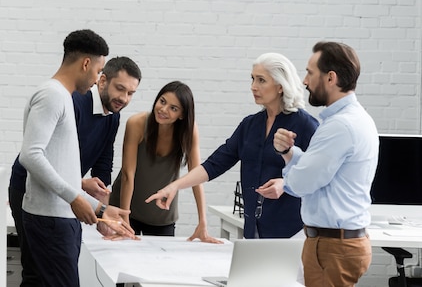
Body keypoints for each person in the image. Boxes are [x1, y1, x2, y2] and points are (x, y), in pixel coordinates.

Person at [146, 53, 319, 239]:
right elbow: (215, 164)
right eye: (252, 79)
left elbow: (321, 176)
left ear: (280, 86)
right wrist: (174, 186)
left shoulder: (306, 125)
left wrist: (286, 184)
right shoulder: (250, 125)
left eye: (261, 80)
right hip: (253, 231)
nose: (253, 86)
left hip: (293, 233)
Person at [9, 54, 142, 287]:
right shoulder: (71, 102)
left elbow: (103, 161)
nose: (124, 98)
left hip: (64, 191)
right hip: (31, 186)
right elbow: (45, 155)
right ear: (102, 81)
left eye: (130, 93)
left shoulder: (113, 116)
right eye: (120, 89)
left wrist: (101, 206)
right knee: (40, 268)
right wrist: (80, 184)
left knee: (42, 273)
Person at [269, 41, 379, 287]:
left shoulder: (340, 126)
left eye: (309, 72)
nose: (304, 81)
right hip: (335, 245)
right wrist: (289, 152)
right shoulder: (352, 120)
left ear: (331, 77)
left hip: (332, 248)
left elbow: (301, 183)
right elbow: (315, 173)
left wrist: (289, 175)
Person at [109, 80, 220, 243]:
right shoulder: (137, 123)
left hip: (161, 215)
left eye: (173, 108)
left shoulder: (189, 131)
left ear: (182, 115)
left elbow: (197, 176)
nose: (163, 109)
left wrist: (202, 222)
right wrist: (125, 219)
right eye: (162, 101)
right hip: (124, 208)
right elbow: (127, 174)